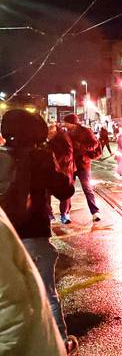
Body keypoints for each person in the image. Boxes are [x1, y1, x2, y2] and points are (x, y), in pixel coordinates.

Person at [0, 109, 77, 354]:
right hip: (34, 236)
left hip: (5, 236)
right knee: (46, 295)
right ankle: (61, 345)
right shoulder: (39, 156)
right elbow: (64, 190)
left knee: (9, 300)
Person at [0, 208, 68, 356]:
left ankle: (63, 343)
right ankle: (63, 342)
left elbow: (10, 315)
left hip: (32, 237)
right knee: (48, 295)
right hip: (35, 238)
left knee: (46, 295)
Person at [60, 113, 102, 223]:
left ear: (72, 123)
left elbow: (95, 144)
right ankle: (65, 213)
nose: (65, 124)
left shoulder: (86, 131)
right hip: (70, 165)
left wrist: (81, 147)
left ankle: (95, 212)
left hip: (83, 164)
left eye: (66, 122)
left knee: (87, 188)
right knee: (67, 189)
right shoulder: (65, 132)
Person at [46, 124, 75, 222]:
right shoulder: (52, 140)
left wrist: (58, 162)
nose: (48, 136)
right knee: (47, 192)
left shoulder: (62, 137)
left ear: (53, 132)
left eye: (49, 134)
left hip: (64, 169)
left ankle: (64, 214)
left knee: (64, 192)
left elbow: (69, 153)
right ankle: (51, 214)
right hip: (55, 169)